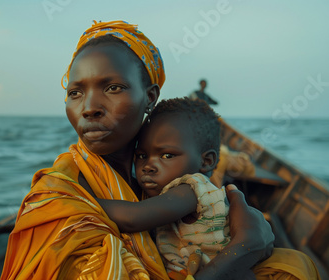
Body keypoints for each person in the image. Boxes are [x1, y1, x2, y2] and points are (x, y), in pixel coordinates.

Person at [1, 20, 320, 280]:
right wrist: (245, 247)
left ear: (150, 97)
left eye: (113, 88)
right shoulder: (55, 201)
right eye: (75, 92)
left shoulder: (167, 180)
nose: (89, 108)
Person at [96, 97, 254, 279]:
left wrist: (78, 197)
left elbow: (133, 217)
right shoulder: (166, 193)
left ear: (206, 161)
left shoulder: (191, 188)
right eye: (141, 155)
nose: (148, 166)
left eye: (167, 155)